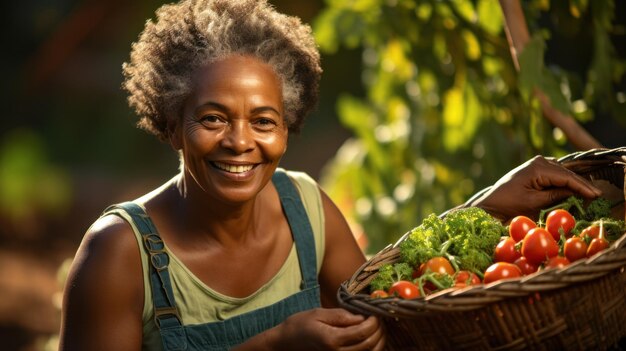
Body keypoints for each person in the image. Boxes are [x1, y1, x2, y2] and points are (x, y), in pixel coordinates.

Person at [58, 0, 603, 350]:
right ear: (171, 124)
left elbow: (389, 298)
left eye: (264, 121)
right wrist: (274, 346)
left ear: (288, 128)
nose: (240, 141)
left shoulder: (305, 207)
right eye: (212, 118)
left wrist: (485, 209)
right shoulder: (119, 252)